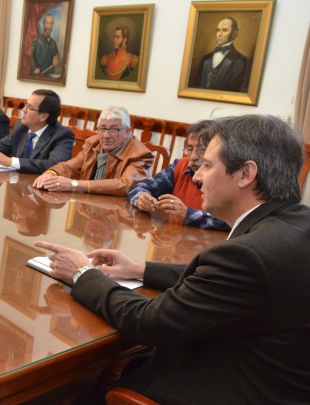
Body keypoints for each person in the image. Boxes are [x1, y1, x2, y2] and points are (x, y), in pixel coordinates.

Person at [35, 114, 310, 403]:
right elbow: (225, 284)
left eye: (207, 164)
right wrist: (139, 269)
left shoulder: (247, 255)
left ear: (245, 174)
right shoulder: (295, 223)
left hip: (232, 385)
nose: (197, 175)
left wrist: (82, 274)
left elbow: (148, 322)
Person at [127, 120, 230, 231]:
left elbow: (230, 222)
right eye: (190, 149)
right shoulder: (180, 166)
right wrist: (142, 199)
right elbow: (138, 187)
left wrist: (188, 215)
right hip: (173, 240)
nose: (194, 156)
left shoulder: (225, 175)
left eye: (202, 149)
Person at [33, 106, 152, 196]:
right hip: (87, 204)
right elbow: (70, 167)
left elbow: (124, 185)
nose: (106, 135)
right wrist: (51, 173)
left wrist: (75, 185)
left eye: (114, 129)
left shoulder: (140, 154)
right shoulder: (93, 143)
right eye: (102, 128)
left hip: (115, 212)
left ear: (127, 131)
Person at [0, 89, 73, 173]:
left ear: (43, 116)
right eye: (25, 105)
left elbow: (54, 165)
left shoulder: (62, 135)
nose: (23, 109)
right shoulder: (21, 128)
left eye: (29, 107)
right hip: (16, 186)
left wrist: (10, 162)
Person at [191, 17, 249, 92]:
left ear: (234, 33)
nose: (219, 34)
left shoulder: (240, 61)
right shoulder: (205, 58)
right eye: (218, 30)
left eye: (224, 30)